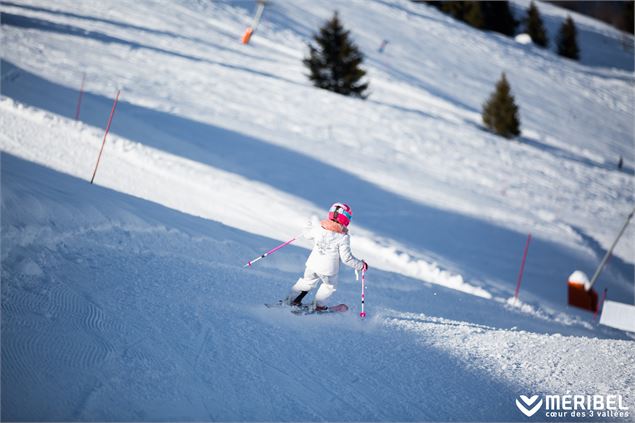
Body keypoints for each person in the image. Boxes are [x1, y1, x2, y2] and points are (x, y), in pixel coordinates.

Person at [286, 202, 368, 311]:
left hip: (312, 264)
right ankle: (318, 306)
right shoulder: (343, 237)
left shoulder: (319, 228)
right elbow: (346, 258)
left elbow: (307, 234)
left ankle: (292, 300)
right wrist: (361, 265)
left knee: (306, 282)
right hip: (328, 270)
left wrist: (308, 226)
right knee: (329, 286)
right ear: (346, 219)